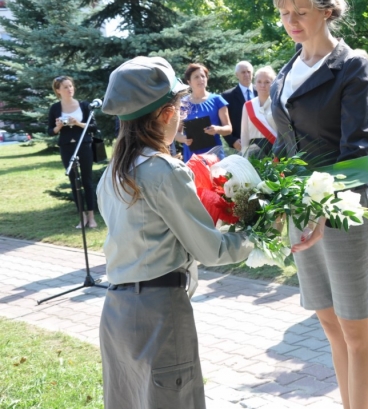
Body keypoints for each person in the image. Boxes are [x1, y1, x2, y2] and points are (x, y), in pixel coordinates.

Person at [96, 56, 253, 408]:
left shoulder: (112, 173)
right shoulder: (163, 170)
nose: (182, 116)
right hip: (159, 311)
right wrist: (259, 236)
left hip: (117, 310)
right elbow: (211, 250)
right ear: (167, 114)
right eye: (180, 108)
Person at [269, 0, 368, 409]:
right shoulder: (285, 72)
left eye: (300, 12)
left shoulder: (352, 66)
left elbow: (356, 151)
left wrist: (321, 210)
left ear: (327, 9)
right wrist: (269, 198)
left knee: (355, 329)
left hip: (343, 209)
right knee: (330, 325)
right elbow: (284, 145)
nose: (291, 22)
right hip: (301, 210)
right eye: (284, 13)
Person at [47, 76, 98, 228]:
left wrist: (78, 123)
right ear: (58, 90)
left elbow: (93, 127)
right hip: (66, 147)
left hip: (84, 145)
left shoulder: (84, 105)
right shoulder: (55, 108)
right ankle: (82, 217)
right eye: (65, 87)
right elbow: (50, 131)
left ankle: (91, 217)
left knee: (87, 181)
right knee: (74, 181)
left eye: (71, 86)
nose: (70, 89)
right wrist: (58, 127)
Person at [175, 63, 232, 162]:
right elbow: (176, 133)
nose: (201, 79)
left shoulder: (217, 100)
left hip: (214, 154)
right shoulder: (183, 104)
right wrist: (184, 139)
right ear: (189, 82)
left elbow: (228, 128)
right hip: (192, 155)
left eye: (203, 76)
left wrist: (217, 129)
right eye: (196, 77)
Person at [240, 66, 277, 156]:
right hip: (254, 151)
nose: (262, 85)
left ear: (273, 83)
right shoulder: (248, 105)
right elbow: (244, 133)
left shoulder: (278, 104)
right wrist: (244, 154)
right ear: (255, 83)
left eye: (267, 82)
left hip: (275, 149)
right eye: (259, 82)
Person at [222, 61, 254, 151]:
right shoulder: (227, 96)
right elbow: (223, 122)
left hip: (263, 142)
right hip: (240, 145)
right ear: (237, 75)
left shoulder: (261, 91)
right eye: (243, 72)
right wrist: (232, 141)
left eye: (248, 72)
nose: (246, 75)